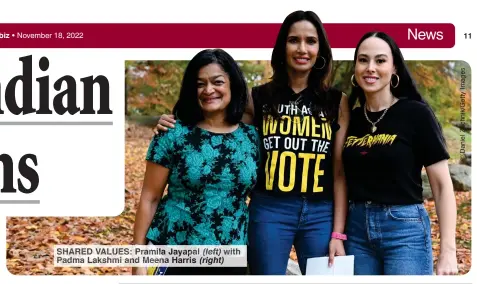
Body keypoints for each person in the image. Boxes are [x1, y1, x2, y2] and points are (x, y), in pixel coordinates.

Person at [155, 10, 349, 275]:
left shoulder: (337, 102)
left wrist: (338, 233)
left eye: (311, 41)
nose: (302, 48)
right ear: (282, 46)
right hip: (270, 209)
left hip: (320, 212)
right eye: (293, 40)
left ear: (321, 48)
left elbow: (339, 171)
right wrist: (173, 121)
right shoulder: (257, 98)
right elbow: (219, 124)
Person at [133, 49, 260, 275]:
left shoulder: (251, 138)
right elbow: (149, 198)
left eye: (217, 81)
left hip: (230, 257)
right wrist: (138, 263)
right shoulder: (172, 133)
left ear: (233, 84)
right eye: (200, 84)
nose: (208, 90)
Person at [343, 31, 458, 275]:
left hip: (404, 231)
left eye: (380, 60)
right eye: (363, 60)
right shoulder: (349, 119)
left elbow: (441, 186)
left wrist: (448, 250)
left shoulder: (416, 114)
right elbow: (339, 177)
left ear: (394, 68)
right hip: (356, 231)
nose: (370, 68)